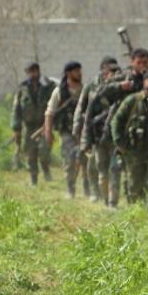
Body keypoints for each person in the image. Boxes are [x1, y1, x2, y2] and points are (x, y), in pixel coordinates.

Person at [91, 48, 148, 207]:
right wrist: (119, 87)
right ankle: (112, 202)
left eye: (145, 62)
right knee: (115, 167)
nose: (142, 66)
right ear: (132, 62)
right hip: (120, 129)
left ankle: (138, 200)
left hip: (143, 132)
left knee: (137, 169)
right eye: (139, 62)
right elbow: (101, 93)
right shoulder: (123, 77)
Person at [111, 67, 148, 210]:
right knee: (134, 184)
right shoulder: (132, 100)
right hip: (134, 150)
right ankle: (135, 211)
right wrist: (120, 144)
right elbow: (116, 121)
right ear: (144, 82)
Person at [73, 56, 119, 201]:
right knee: (93, 164)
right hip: (94, 131)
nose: (113, 72)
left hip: (112, 131)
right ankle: (94, 191)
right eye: (110, 69)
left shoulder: (118, 86)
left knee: (113, 166)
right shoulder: (91, 86)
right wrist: (77, 130)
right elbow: (81, 108)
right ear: (103, 70)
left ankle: (110, 197)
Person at [11, 62, 57, 186]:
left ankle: (46, 168)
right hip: (29, 127)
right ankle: (33, 179)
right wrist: (16, 127)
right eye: (29, 72)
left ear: (38, 71)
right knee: (31, 155)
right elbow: (16, 109)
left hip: (44, 126)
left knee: (44, 152)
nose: (32, 74)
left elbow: (55, 104)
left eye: (33, 71)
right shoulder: (23, 88)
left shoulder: (48, 86)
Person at [44, 61, 84, 198]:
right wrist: (48, 132)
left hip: (82, 132)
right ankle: (70, 188)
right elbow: (50, 112)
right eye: (76, 71)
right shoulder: (59, 92)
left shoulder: (84, 90)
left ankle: (85, 188)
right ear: (68, 73)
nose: (79, 73)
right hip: (66, 132)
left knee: (82, 160)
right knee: (69, 161)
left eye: (80, 70)